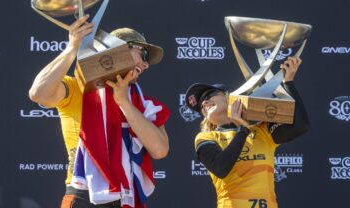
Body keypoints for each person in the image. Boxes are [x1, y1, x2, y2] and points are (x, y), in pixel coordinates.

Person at [29, 15, 170, 208]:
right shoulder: (79, 88)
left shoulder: (144, 103)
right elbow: (39, 93)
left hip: (127, 198)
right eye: (143, 55)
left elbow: (160, 150)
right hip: (83, 193)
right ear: (118, 50)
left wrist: (123, 102)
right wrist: (72, 48)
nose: (146, 65)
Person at [185, 57, 310, 208]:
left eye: (208, 95)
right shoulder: (206, 137)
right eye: (200, 108)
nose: (204, 103)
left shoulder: (261, 130)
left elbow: (301, 125)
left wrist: (288, 82)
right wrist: (243, 129)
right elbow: (221, 168)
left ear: (228, 96)